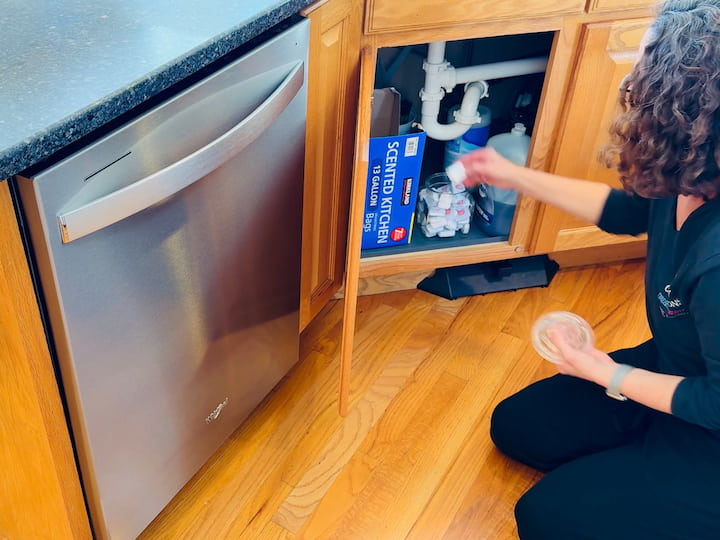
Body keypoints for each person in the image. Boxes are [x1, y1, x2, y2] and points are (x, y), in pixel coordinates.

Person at [454, 1, 720, 538]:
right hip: (678, 367)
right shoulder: (690, 172)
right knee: (519, 428)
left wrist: (605, 372)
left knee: (544, 517)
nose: (632, 82)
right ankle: (641, 461)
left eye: (644, 72)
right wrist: (512, 174)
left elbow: (716, 403)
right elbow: (625, 211)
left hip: (711, 425)